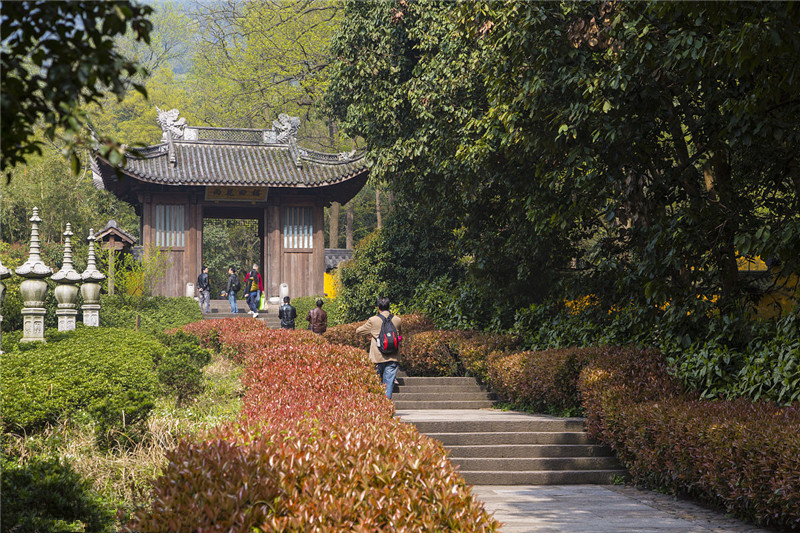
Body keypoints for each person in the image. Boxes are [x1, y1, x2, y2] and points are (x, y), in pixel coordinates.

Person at [356, 296, 402, 398]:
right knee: (389, 384)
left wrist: (372, 332)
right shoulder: (397, 320)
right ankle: (387, 405)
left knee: (376, 383)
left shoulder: (373, 320)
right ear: (389, 306)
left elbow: (359, 331)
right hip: (393, 357)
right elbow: (399, 336)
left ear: (378, 308)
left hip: (377, 357)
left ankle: (379, 407)